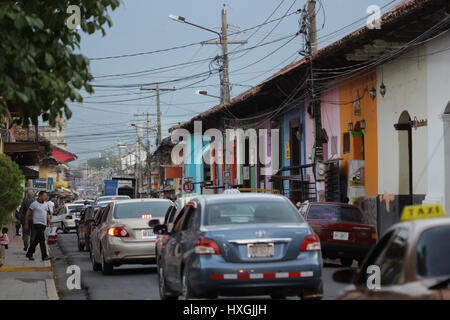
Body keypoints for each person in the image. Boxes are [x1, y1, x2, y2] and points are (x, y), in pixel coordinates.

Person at [24, 191, 53, 261]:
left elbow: (47, 214)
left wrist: (50, 222)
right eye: (44, 196)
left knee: (37, 240)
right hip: (37, 223)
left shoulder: (46, 204)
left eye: (46, 196)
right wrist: (26, 223)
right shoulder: (34, 204)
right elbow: (27, 213)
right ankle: (44, 256)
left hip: (43, 224)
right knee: (42, 240)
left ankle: (29, 253)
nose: (45, 198)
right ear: (40, 196)